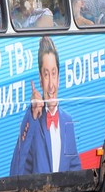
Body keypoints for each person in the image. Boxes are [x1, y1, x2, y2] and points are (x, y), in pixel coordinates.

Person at [10, 36, 81, 175]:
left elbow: (75, 169)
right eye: (46, 75)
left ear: (59, 78)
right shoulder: (33, 121)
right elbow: (15, 171)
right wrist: (31, 116)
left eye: (53, 74)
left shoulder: (67, 120)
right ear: (41, 80)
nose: (51, 85)